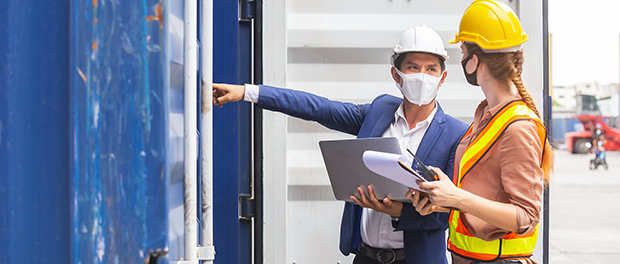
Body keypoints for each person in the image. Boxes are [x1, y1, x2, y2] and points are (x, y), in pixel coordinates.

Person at [213, 25, 468, 264]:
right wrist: (248, 92)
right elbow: (319, 108)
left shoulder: (456, 135)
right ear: (396, 74)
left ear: (442, 77)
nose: (422, 76)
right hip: (365, 257)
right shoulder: (379, 111)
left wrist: (397, 210)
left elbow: (452, 212)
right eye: (413, 67)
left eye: (431, 69)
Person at [407, 1, 555, 264]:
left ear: (474, 61)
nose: (462, 59)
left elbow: (526, 218)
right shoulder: (487, 114)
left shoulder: (518, 127)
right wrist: (442, 199)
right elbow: (485, 193)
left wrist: (457, 197)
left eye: (463, 51)